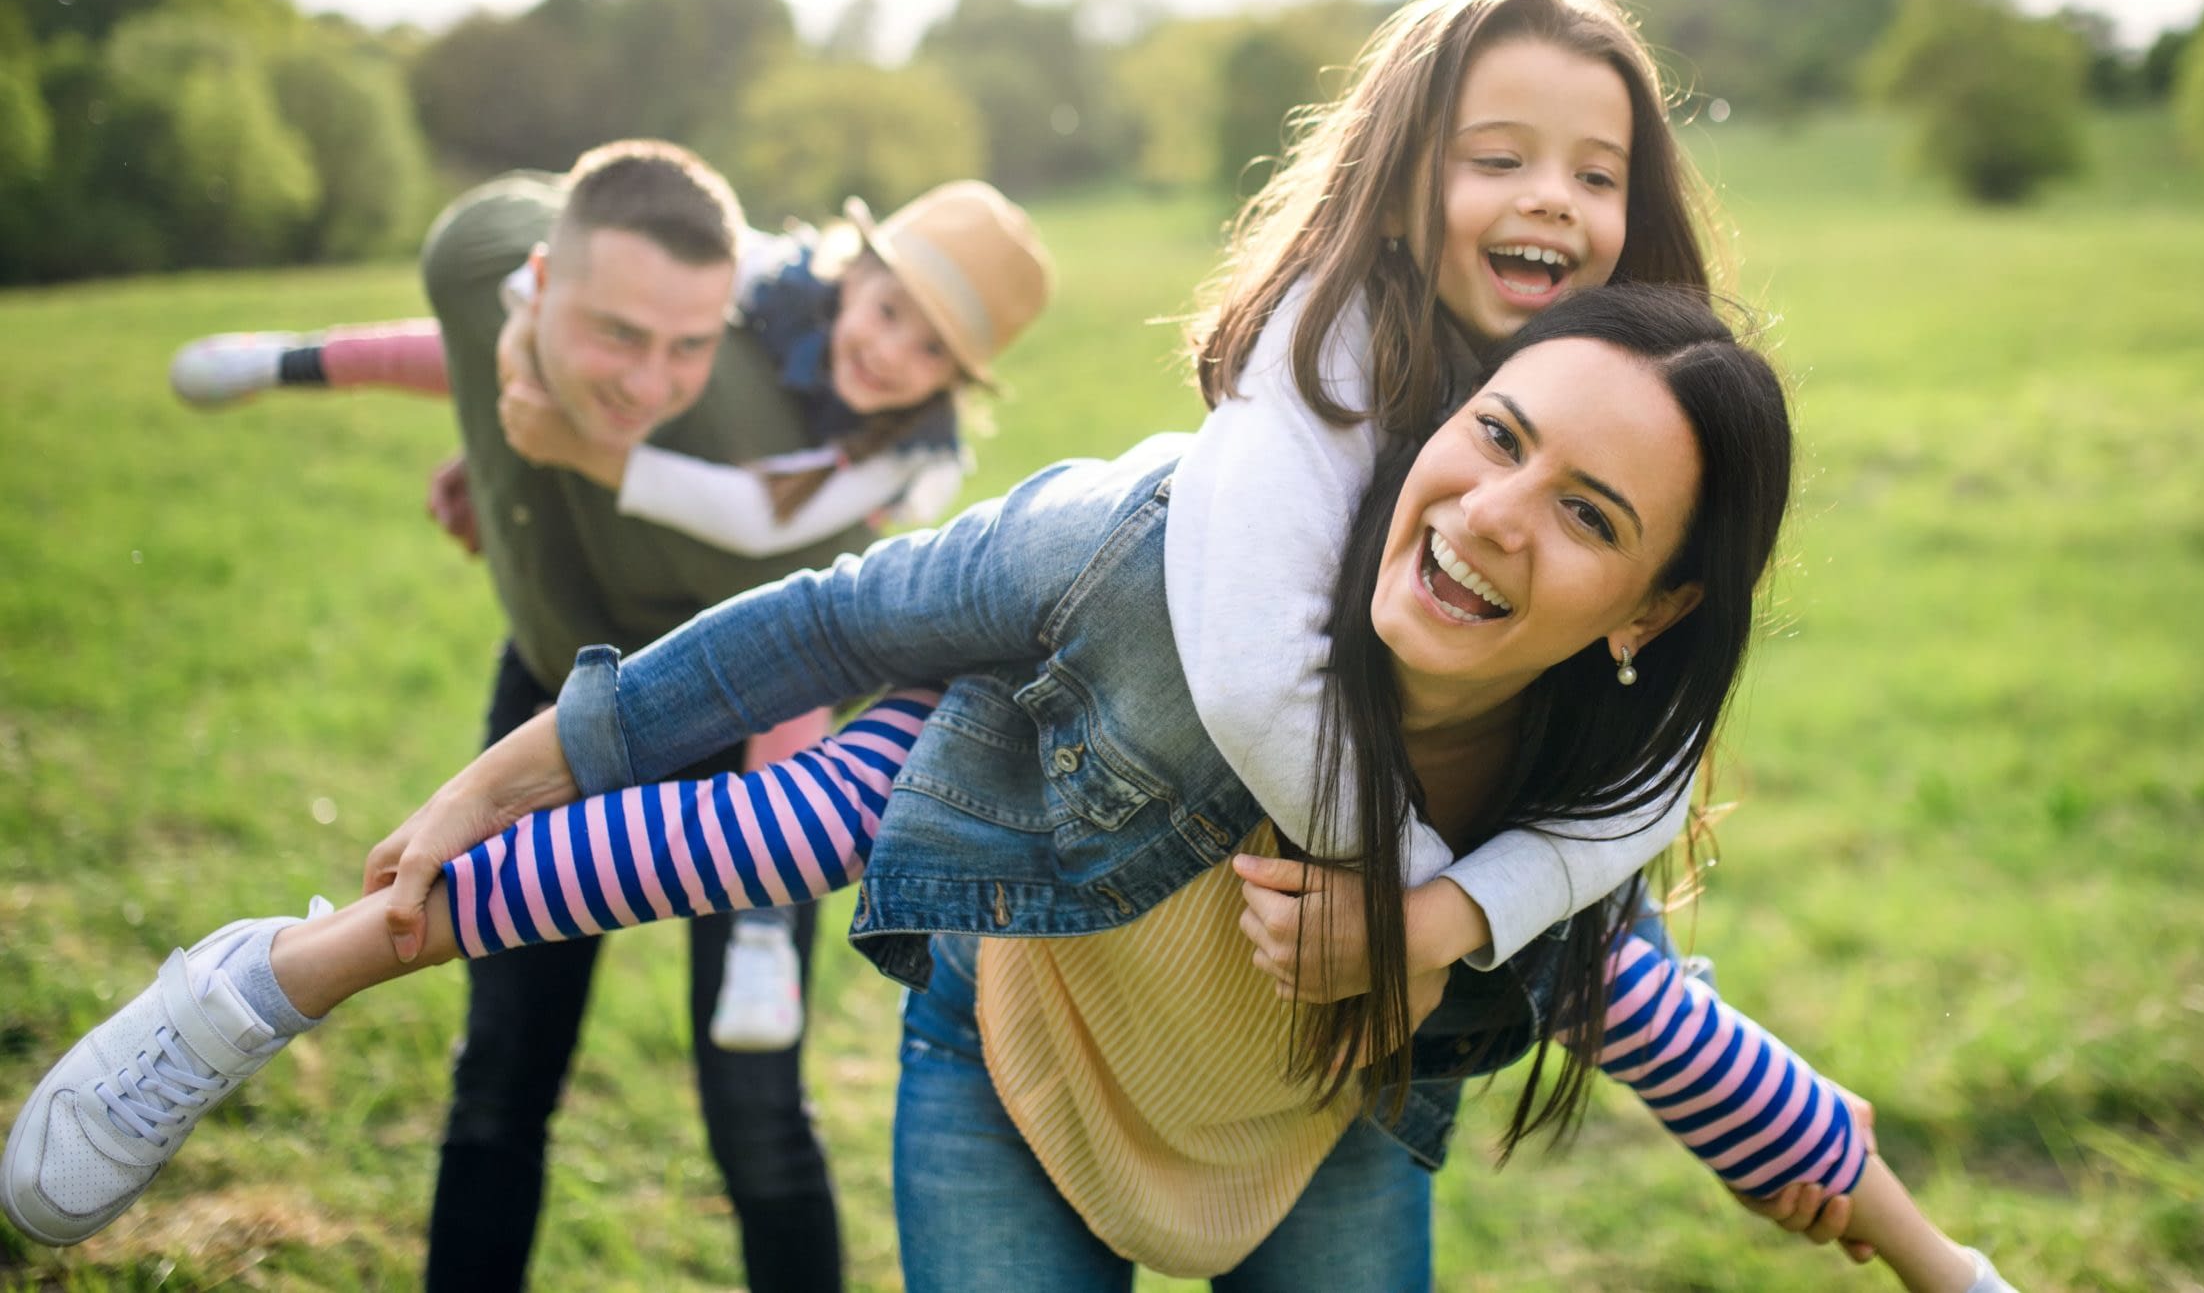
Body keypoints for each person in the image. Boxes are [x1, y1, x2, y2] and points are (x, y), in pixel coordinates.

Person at [4, 287, 2014, 1291]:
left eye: (1581, 515)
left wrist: (1945, 1266)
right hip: (1019, 1024)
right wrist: (471, 803)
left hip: (1287, 1129)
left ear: (1649, 608)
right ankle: (271, 974)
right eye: (1486, 435)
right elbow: (786, 663)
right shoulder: (1133, 581)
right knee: (774, 821)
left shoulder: (1543, 847)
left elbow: (1692, 1051)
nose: (1488, 517)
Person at [164, 178, 1054, 1053]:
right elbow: (565, 309)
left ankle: (760, 933)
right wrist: (507, 403)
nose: (894, 353)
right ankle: (291, 359)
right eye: (890, 310)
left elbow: (756, 518)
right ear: (852, 271)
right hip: (595, 602)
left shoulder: (903, 453)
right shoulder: (759, 281)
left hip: (743, 633)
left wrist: (586, 455)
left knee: (806, 621)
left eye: (931, 351)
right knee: (557, 354)